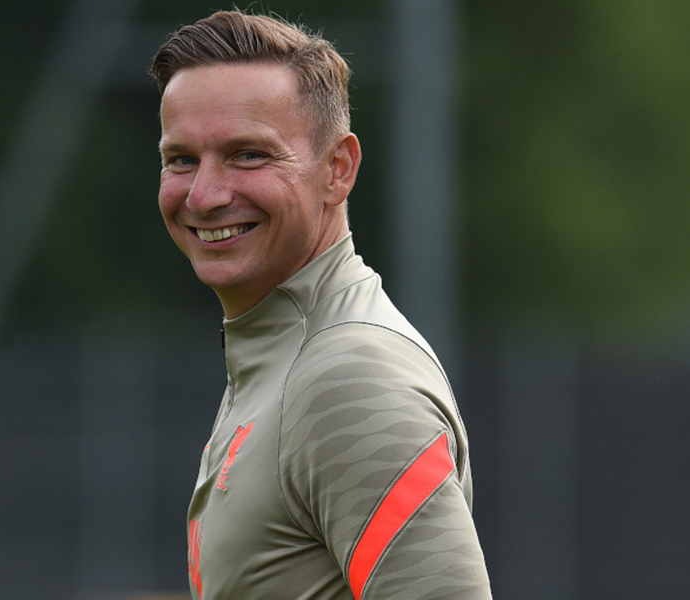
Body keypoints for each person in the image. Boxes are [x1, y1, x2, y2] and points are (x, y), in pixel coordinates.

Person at [150, 10, 492, 599]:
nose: (203, 196)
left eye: (248, 155)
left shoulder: (348, 375)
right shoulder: (282, 355)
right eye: (181, 159)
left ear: (338, 169)